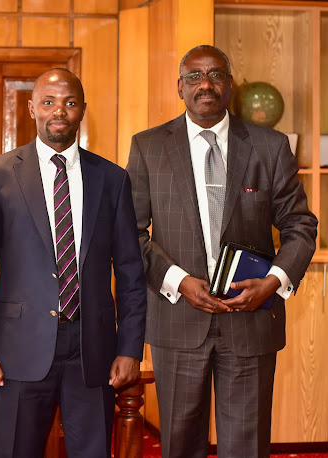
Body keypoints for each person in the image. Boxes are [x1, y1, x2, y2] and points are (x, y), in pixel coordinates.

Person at [126, 45, 318, 458]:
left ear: (230, 85)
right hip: (177, 321)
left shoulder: (270, 146)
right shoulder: (148, 148)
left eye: (215, 75)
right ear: (180, 87)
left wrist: (272, 283)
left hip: (250, 322)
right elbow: (131, 234)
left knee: (246, 447)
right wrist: (178, 280)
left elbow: (301, 226)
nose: (205, 85)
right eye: (194, 76)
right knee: (179, 445)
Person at [0, 68, 147, 458]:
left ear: (82, 110)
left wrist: (130, 348)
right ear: (32, 108)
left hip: (92, 350)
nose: (58, 111)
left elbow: (131, 272)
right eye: (48, 102)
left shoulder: (112, 179)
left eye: (69, 103)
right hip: (18, 350)